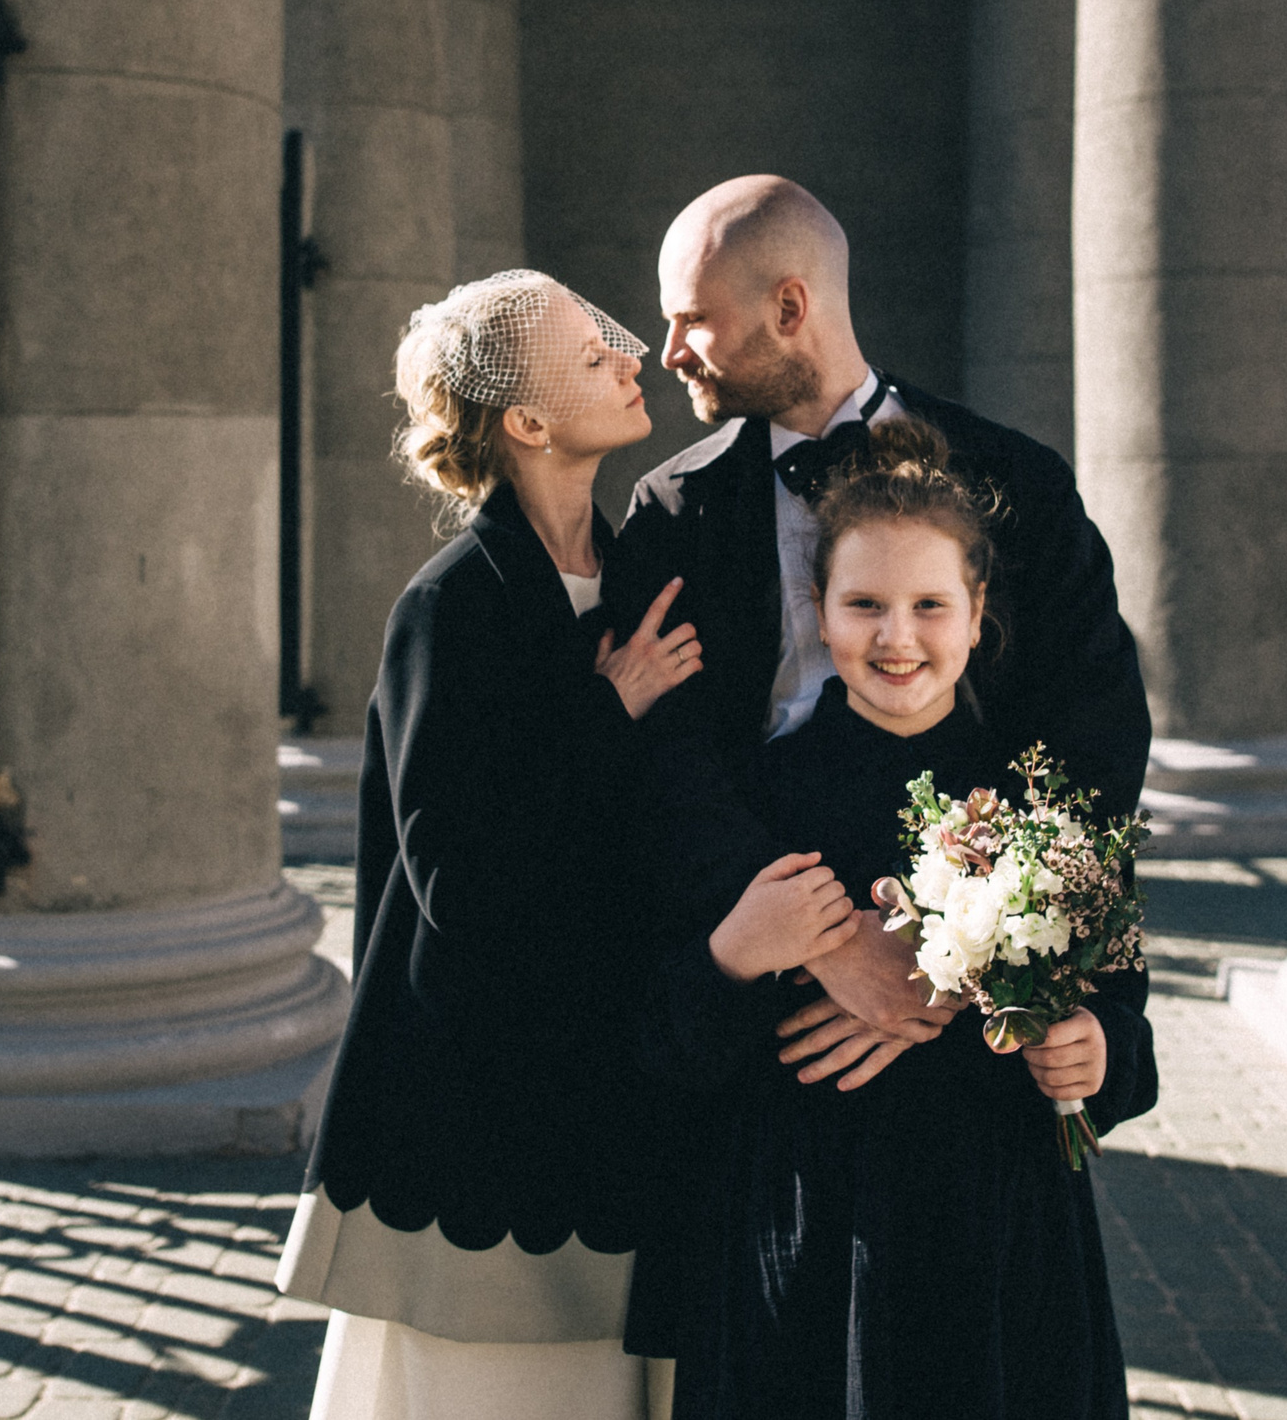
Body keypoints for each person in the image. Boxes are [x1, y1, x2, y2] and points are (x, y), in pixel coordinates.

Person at [643, 419, 1157, 1419]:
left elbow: (1122, 1009)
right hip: (815, 1232)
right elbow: (669, 1036)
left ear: (977, 613)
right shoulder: (756, 806)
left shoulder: (1043, 812)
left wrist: (1098, 1049)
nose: (897, 637)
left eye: (929, 605)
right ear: (817, 610)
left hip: (1002, 1234)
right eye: (864, 604)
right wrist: (739, 957)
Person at [606, 174, 1152, 1082]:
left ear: (790, 308)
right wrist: (820, 939)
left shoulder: (1020, 480)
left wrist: (963, 946)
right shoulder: (669, 510)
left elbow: (1095, 728)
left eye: (691, 320)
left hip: (983, 989)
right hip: (764, 974)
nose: (668, 353)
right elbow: (670, 752)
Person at [279, 271, 708, 1420]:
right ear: (525, 420)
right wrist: (605, 708)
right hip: (487, 1107)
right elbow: (457, 882)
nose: (631, 358)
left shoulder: (643, 578)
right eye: (591, 355)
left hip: (627, 1081)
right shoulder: (449, 606)